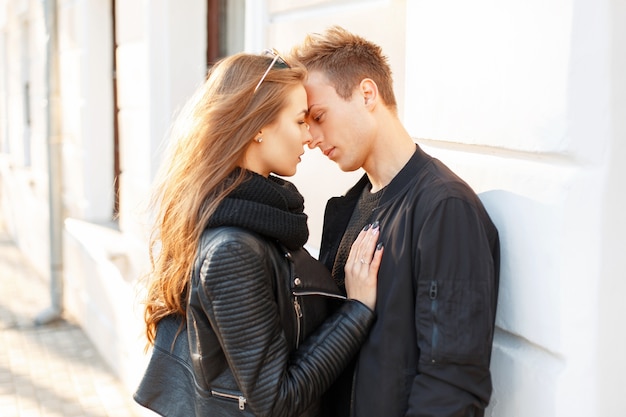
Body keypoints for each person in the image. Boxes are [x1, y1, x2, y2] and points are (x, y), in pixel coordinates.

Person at [133, 51, 384, 417]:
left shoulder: (261, 220)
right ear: (259, 127)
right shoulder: (233, 249)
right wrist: (357, 311)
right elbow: (275, 400)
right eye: (300, 121)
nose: (309, 136)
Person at [291, 26, 500, 417]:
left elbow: (452, 384)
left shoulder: (445, 208)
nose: (312, 138)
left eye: (319, 116)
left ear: (367, 94)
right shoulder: (347, 207)